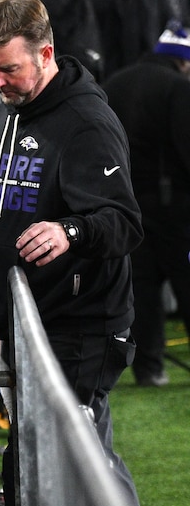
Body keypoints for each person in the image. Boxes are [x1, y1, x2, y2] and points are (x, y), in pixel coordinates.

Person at [0, 0, 148, 506]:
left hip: (80, 327)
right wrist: (1, 315)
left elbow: (124, 222)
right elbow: (7, 211)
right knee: (83, 460)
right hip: (34, 322)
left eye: (8, 69)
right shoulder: (18, 107)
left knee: (47, 468)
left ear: (45, 54)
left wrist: (70, 231)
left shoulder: (86, 123)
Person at [102, 23, 190, 387]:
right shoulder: (178, 88)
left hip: (124, 205)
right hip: (174, 207)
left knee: (142, 289)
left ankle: (149, 368)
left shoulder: (114, 83)